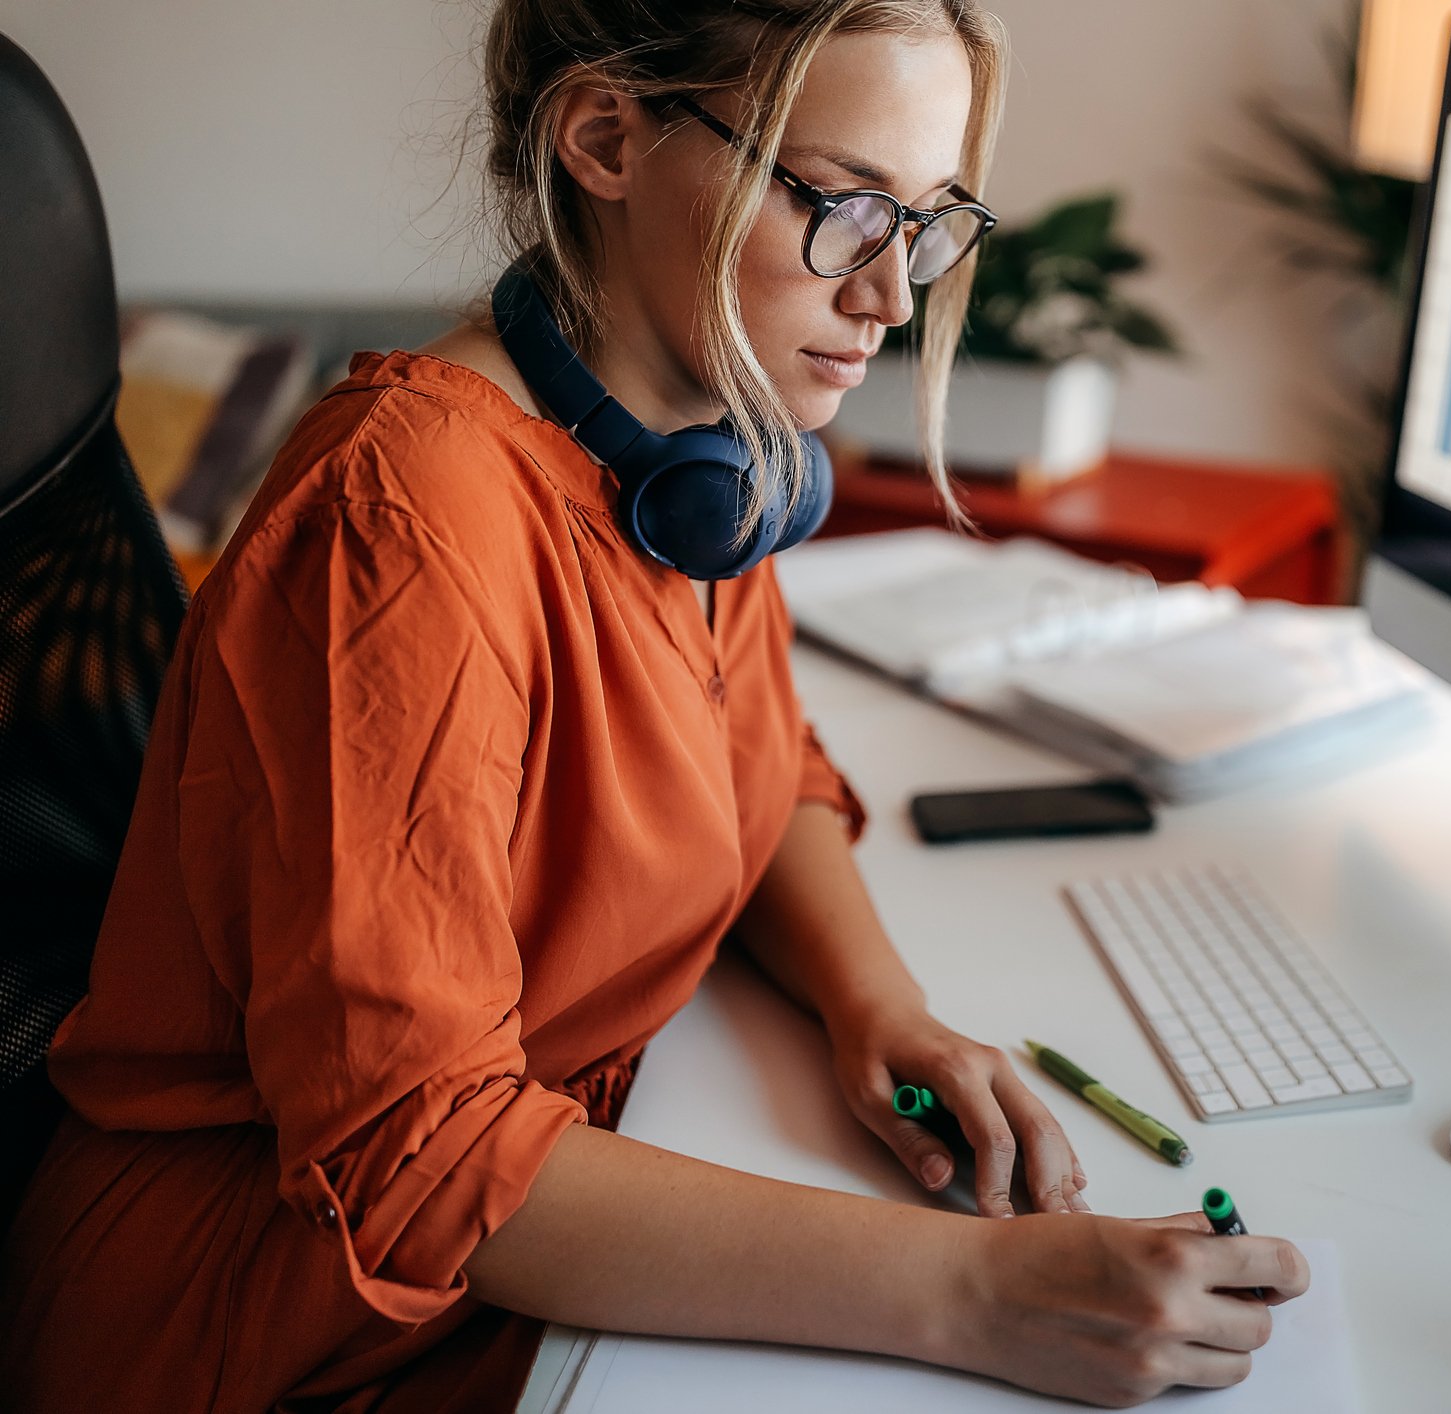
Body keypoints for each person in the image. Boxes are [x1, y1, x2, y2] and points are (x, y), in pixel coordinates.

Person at [0, 1, 1308, 1409]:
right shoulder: (403, 521)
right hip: (276, 1317)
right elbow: (413, 1156)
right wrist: (977, 1290)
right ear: (607, 137)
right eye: (847, 207)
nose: (892, 296)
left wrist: (876, 1009)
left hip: (529, 1226)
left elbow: (761, 760)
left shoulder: (700, 453)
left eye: (926, 223)